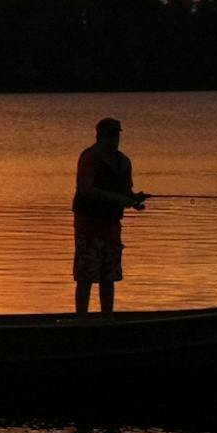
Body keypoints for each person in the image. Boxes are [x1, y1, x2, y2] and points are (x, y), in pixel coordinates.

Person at [73, 117, 149, 314]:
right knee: (86, 275)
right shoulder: (90, 157)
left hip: (111, 225)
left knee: (109, 275)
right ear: (100, 136)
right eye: (109, 136)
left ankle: (107, 317)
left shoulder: (123, 162)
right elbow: (85, 190)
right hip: (88, 224)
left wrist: (133, 200)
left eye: (115, 135)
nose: (114, 140)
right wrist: (119, 199)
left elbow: (126, 193)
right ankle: (82, 319)